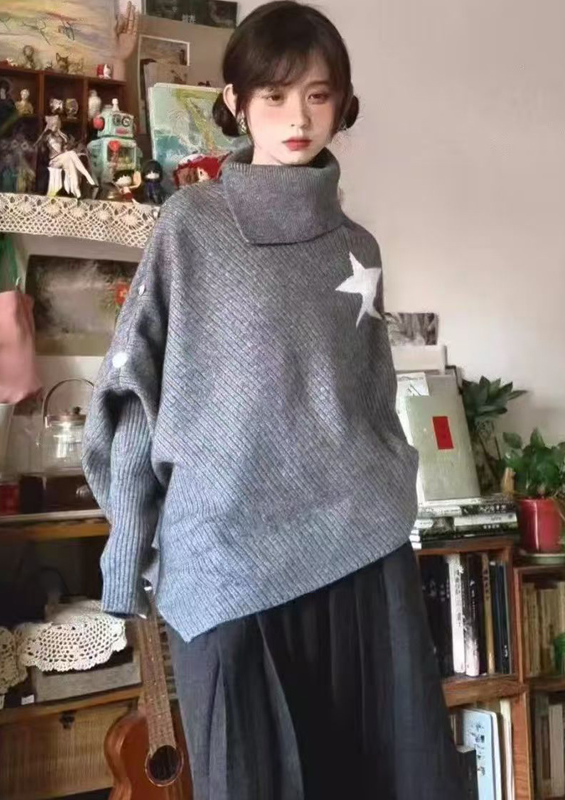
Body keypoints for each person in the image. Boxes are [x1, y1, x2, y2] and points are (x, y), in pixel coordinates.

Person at [82, 2, 468, 798]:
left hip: (360, 543)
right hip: (225, 551)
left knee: (379, 775)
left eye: (318, 96)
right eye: (275, 96)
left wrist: (396, 495)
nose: (298, 118)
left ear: (343, 103)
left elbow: (371, 396)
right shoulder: (190, 226)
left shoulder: (358, 248)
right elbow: (134, 393)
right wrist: (127, 549)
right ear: (235, 102)